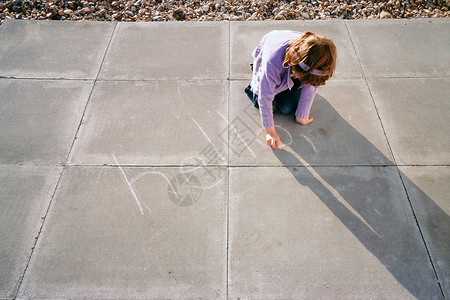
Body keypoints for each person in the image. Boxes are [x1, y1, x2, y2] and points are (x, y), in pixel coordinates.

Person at [245, 30, 337, 149]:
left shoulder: (317, 59)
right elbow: (265, 97)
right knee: (262, 102)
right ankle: (260, 75)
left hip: (293, 65)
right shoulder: (273, 62)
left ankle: (287, 81)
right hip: (274, 57)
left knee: (287, 107)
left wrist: (302, 115)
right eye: (305, 78)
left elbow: (312, 84)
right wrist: (270, 131)